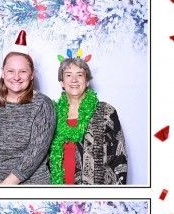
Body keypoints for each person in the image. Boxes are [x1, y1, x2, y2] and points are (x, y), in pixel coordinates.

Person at [0, 30, 55, 185]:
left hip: (30, 186)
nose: (16, 77)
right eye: (11, 71)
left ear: (32, 74)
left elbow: (36, 152)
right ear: (3, 73)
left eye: (23, 71)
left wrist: (6, 186)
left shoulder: (43, 105)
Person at [49, 47, 127, 185]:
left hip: (94, 189)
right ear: (61, 82)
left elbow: (118, 157)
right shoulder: (51, 112)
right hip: (57, 187)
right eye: (68, 75)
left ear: (87, 81)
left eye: (79, 75)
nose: (74, 80)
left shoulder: (106, 111)